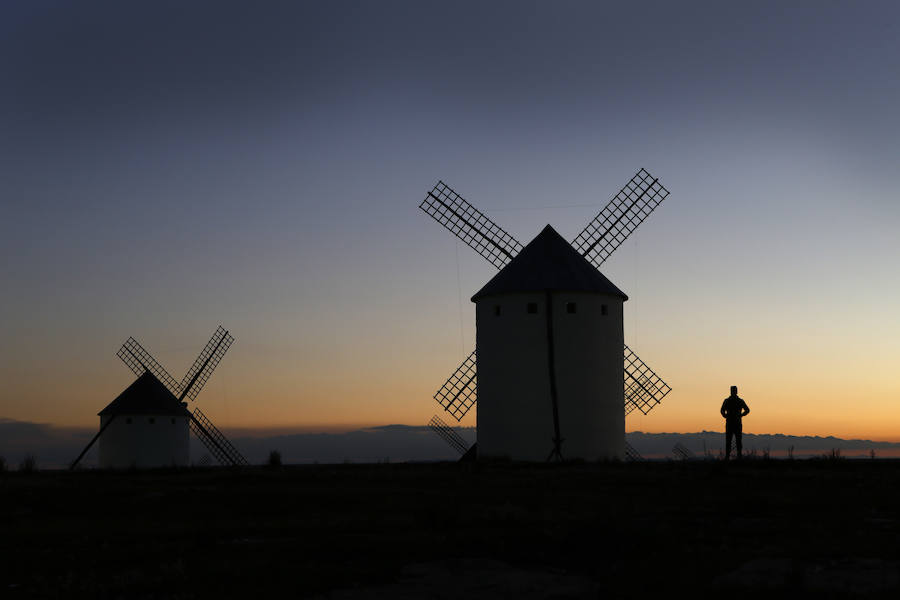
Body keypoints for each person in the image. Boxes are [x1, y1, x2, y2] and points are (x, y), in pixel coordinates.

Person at [720, 385, 750, 460]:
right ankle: (729, 457)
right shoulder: (729, 401)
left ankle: (737, 457)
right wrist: (725, 415)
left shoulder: (737, 401)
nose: (733, 392)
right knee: (731, 441)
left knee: (736, 441)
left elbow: (747, 410)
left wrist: (741, 415)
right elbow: (722, 410)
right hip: (733, 423)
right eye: (733, 390)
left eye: (734, 390)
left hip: (735, 423)